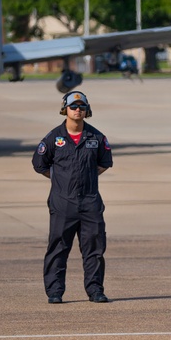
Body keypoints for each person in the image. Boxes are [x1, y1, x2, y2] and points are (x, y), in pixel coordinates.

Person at [32, 90, 113, 304]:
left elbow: (104, 163)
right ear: (65, 110)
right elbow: (39, 165)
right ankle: (55, 292)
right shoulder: (53, 138)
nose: (78, 110)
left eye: (82, 107)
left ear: (87, 111)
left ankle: (95, 290)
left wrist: (85, 177)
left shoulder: (96, 137)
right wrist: (61, 179)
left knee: (94, 249)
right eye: (73, 107)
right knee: (58, 248)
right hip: (62, 203)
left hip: (90, 202)